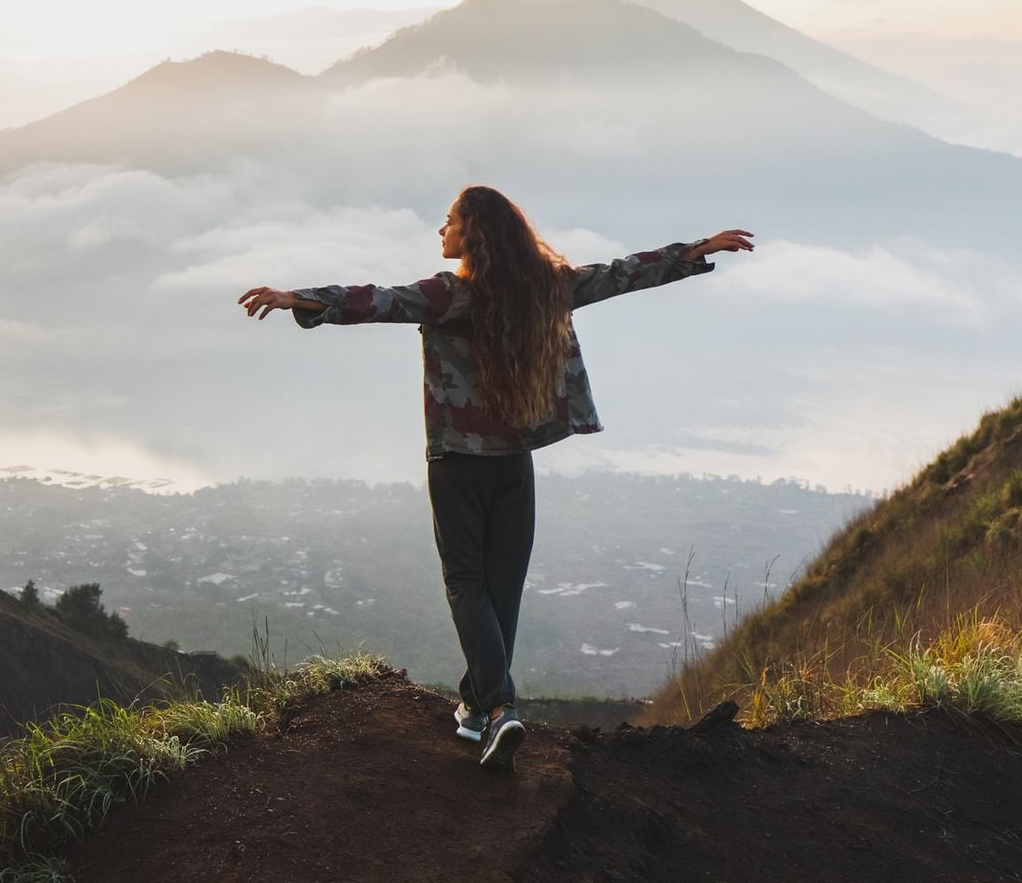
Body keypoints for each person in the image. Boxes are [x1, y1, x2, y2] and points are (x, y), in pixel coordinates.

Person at [238, 186, 753, 772]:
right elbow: (619, 275)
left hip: (458, 462)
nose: (441, 229)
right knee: (502, 585)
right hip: (515, 461)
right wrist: (693, 252)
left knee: (466, 581)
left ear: (473, 232)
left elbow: (377, 300)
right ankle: (478, 708)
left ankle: (502, 706)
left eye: (450, 221)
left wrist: (299, 299)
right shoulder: (545, 287)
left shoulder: (449, 294)